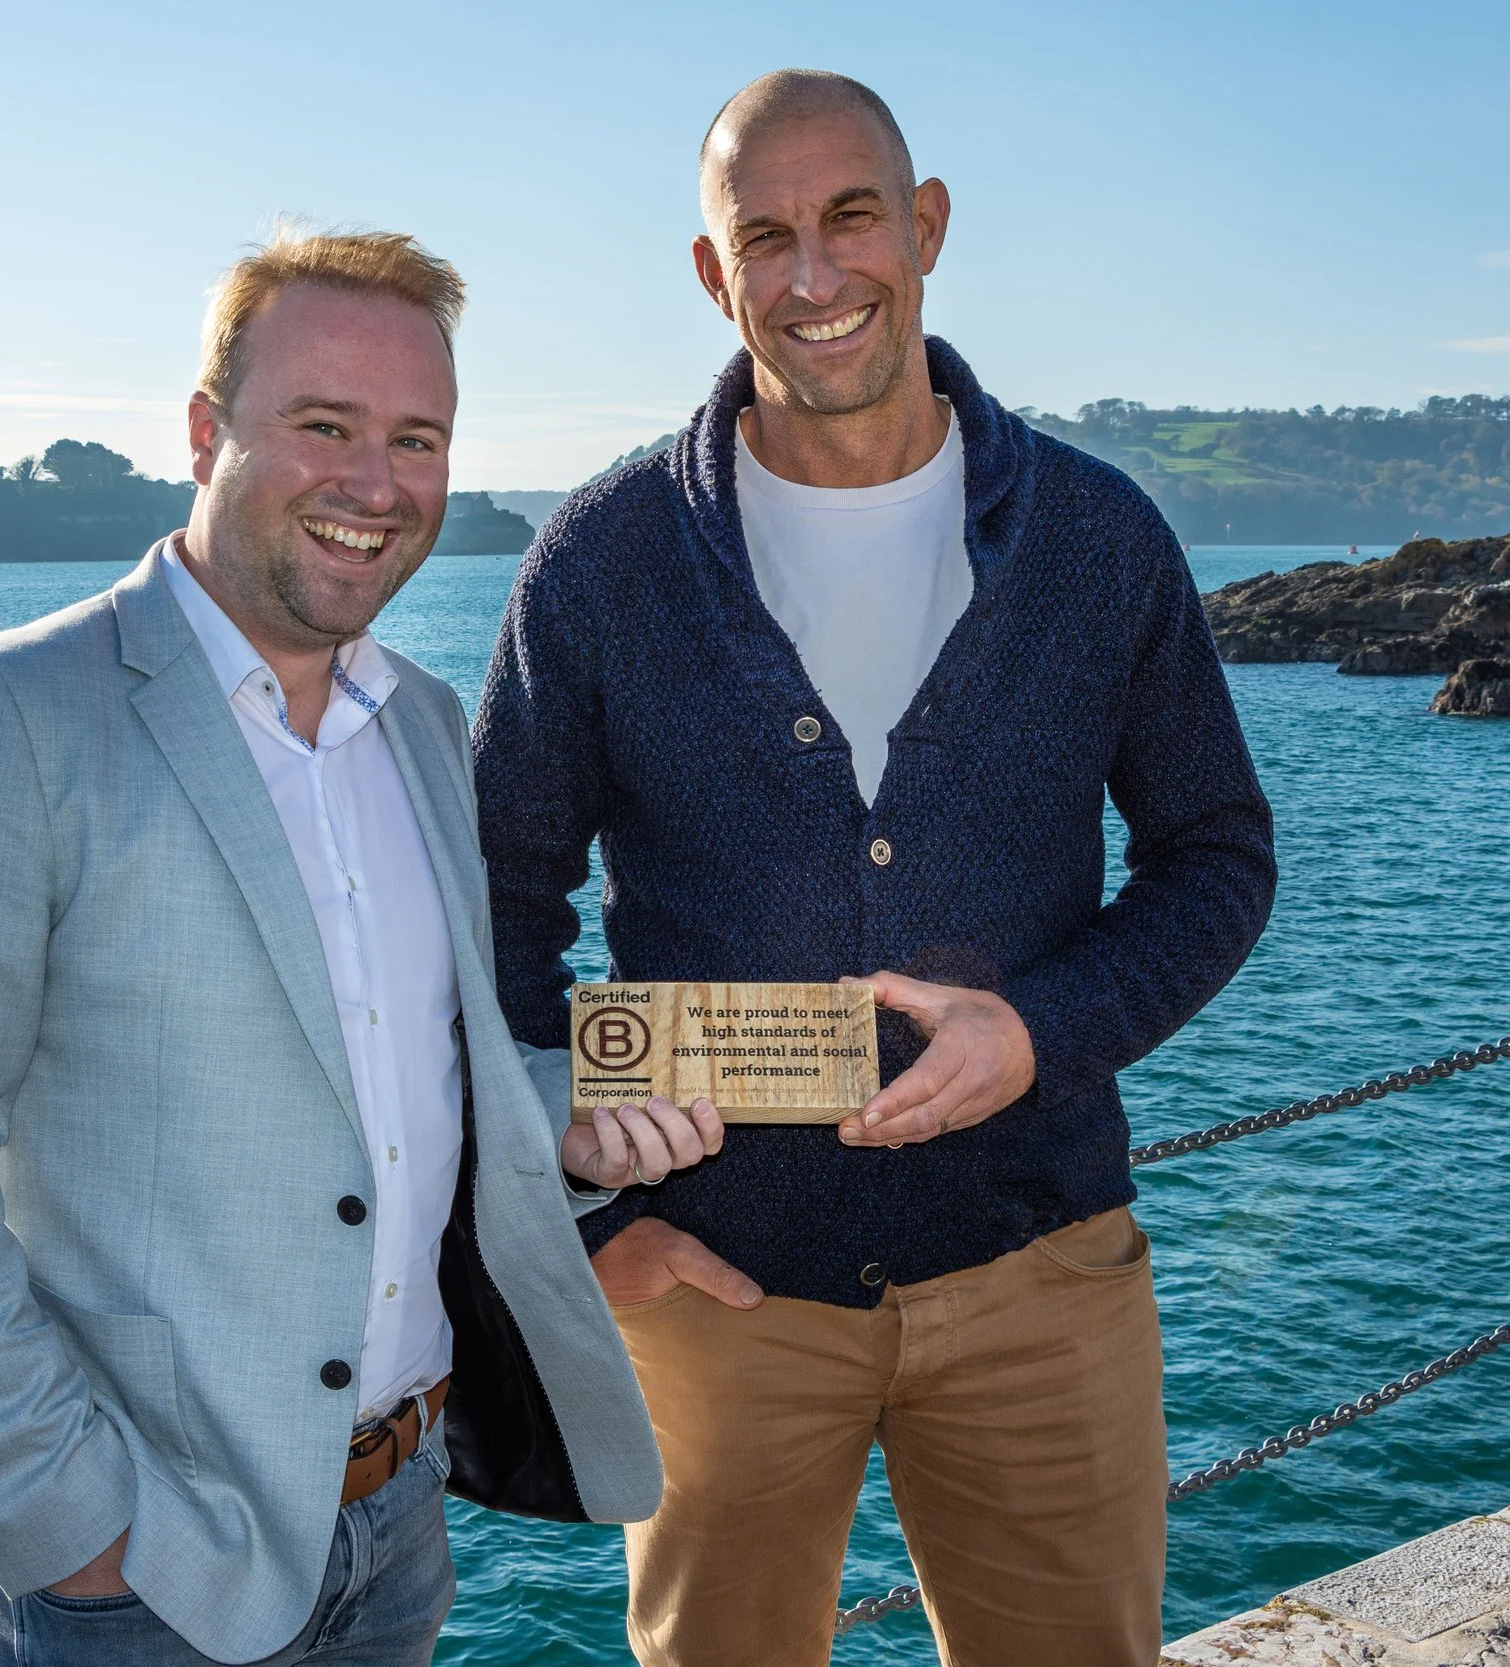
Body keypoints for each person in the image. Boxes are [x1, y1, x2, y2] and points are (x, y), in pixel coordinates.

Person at [0, 228, 717, 1667]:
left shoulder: (423, 723)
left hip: (403, 1527)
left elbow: (414, 1086)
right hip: (146, 1573)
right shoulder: (1, 719)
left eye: (417, 439)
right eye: (324, 426)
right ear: (200, 432)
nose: (375, 485)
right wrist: (73, 1523)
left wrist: (582, 1130)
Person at [472, 72, 1277, 1667]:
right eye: (763, 235)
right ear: (715, 274)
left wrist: (1038, 1030)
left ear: (926, 228)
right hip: (714, 1298)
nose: (815, 274)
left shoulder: (1098, 539)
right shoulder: (604, 559)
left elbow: (1217, 858)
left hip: (1044, 1268)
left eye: (851, 219)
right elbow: (491, 911)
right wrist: (582, 1224)